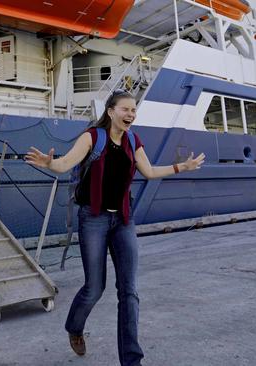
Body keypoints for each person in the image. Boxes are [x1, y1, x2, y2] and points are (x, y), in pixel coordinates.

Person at [25, 90, 205, 366]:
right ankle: (75, 326)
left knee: (129, 291)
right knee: (95, 288)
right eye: (125, 109)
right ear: (110, 111)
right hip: (93, 219)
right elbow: (64, 164)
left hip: (123, 220)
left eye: (134, 110)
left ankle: (132, 361)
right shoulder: (92, 137)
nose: (131, 114)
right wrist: (50, 163)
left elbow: (150, 172)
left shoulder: (134, 140)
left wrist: (182, 167)